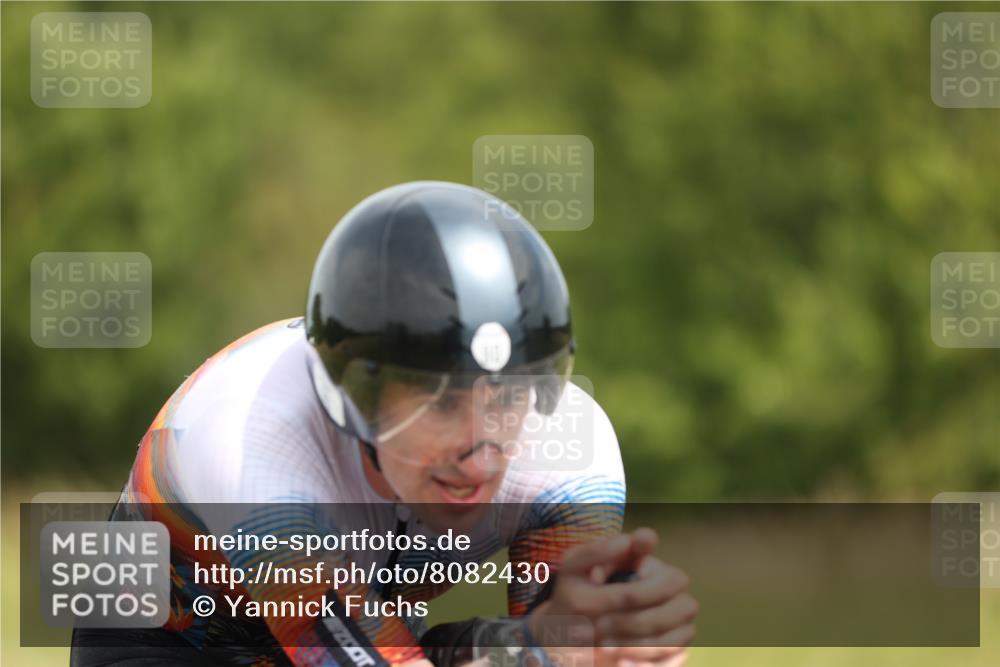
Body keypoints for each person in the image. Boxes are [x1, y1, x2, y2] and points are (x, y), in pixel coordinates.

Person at [70, 182, 697, 667]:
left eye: (509, 400)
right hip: (170, 638)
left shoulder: (569, 455)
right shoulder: (257, 442)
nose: (481, 457)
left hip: (367, 623)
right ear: (355, 395)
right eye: (440, 404)